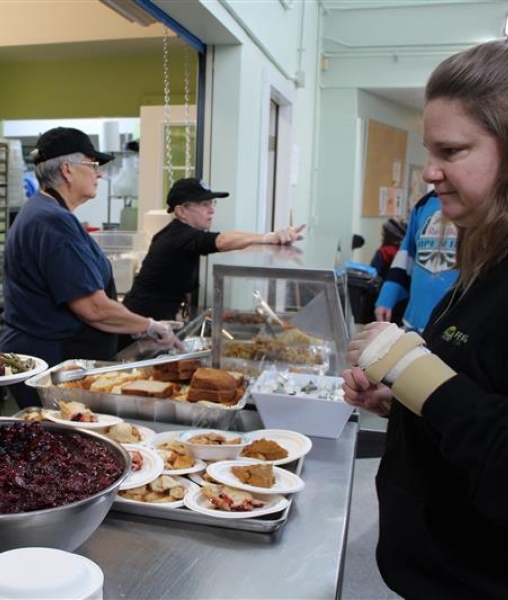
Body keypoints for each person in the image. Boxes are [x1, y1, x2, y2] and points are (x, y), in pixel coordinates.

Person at [343, 40, 508, 599]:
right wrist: (401, 398)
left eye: (453, 150)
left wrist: (412, 369)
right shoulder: (484, 261)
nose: (431, 171)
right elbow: (476, 396)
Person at [0, 127, 181, 408]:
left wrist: (137, 331)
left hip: (47, 355)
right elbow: (93, 309)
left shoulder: (42, 211)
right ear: (68, 170)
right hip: (51, 362)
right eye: (94, 165)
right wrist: (148, 326)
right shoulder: (52, 221)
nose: (100, 173)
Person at [121, 177, 306, 323]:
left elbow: (236, 244)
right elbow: (223, 241)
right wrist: (269, 237)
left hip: (157, 318)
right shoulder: (178, 236)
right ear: (181, 211)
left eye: (212, 203)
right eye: (203, 204)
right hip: (140, 323)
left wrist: (274, 243)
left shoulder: (184, 235)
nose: (211, 210)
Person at [373, 190, 458, 333]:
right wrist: (387, 298)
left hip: (454, 326)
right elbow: (406, 255)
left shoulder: (483, 204)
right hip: (415, 320)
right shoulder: (424, 204)